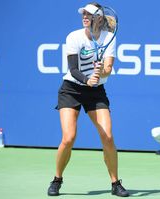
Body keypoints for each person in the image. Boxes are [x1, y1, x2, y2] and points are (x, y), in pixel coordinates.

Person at [47, 2, 130, 197]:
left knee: (107, 136)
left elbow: (108, 69)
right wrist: (87, 79)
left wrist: (101, 73)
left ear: (99, 18)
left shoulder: (109, 37)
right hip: (71, 90)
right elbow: (73, 69)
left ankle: (115, 183)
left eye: (89, 14)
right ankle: (57, 179)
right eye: (83, 13)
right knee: (68, 138)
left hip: (96, 92)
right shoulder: (73, 37)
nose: (85, 16)